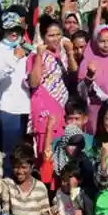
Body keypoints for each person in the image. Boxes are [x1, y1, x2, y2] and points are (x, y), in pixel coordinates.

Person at [28, 16, 76, 181]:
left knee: (59, 151)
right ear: (43, 37)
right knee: (44, 151)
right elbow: (33, 82)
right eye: (51, 35)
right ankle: (45, 186)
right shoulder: (34, 56)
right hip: (44, 109)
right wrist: (40, 56)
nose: (55, 39)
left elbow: (73, 73)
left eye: (58, 35)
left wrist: (70, 52)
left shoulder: (61, 55)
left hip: (60, 108)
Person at [0, 12, 31, 168]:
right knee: (9, 153)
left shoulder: (26, 49)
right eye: (10, 29)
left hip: (26, 108)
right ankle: (6, 185)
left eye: (17, 29)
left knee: (24, 154)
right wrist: (14, 59)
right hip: (7, 109)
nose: (14, 33)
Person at [78, 25, 108, 135]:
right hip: (96, 112)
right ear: (95, 41)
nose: (106, 45)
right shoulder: (87, 61)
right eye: (102, 41)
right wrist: (89, 76)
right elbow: (82, 92)